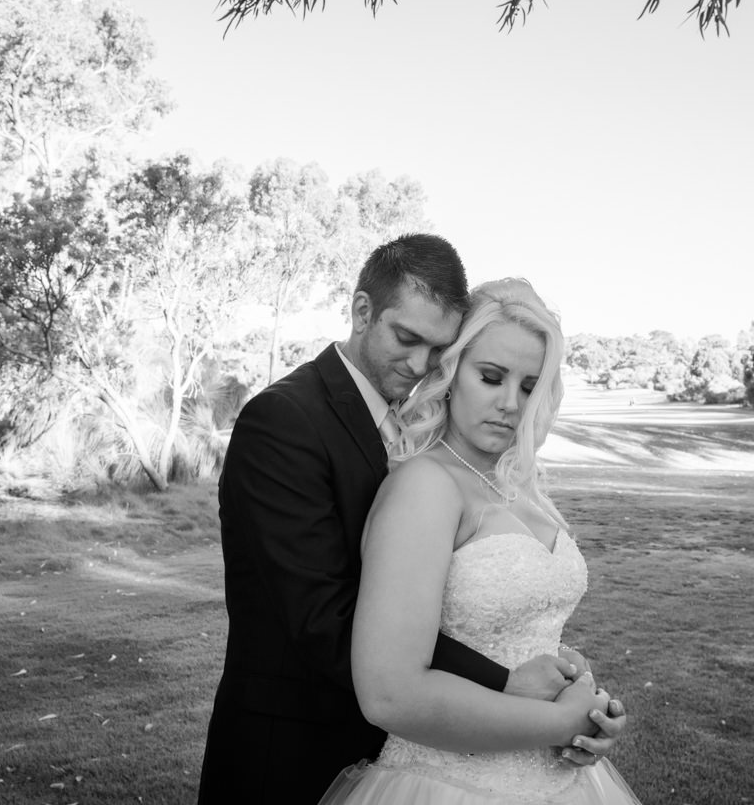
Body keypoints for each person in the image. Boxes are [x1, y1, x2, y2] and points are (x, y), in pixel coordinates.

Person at [197, 236, 625, 805]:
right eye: (406, 338)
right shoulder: (285, 421)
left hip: (450, 742)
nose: (421, 364)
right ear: (361, 311)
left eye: (437, 348)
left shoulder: (430, 439)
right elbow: (324, 615)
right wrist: (511, 685)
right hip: (295, 744)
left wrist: (572, 694)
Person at [318, 277, 642, 805]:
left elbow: (524, 633)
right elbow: (390, 694)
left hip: (562, 783)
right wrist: (556, 721)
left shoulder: (519, 488)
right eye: (491, 377)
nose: (510, 403)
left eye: (530, 386)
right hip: (448, 783)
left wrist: (585, 707)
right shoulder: (425, 486)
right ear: (450, 374)